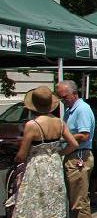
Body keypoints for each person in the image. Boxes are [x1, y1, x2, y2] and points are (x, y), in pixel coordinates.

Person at [9, 86, 79, 217]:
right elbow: (74, 144)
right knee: (53, 199)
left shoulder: (32, 125)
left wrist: (17, 160)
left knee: (35, 200)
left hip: (36, 166)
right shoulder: (59, 122)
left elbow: (22, 154)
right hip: (54, 165)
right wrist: (60, 153)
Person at [55, 81, 96, 218]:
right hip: (73, 155)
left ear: (74, 94)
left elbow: (84, 135)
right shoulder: (71, 110)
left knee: (79, 202)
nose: (63, 101)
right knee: (75, 199)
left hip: (79, 157)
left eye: (64, 97)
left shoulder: (81, 109)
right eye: (60, 97)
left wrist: (64, 137)